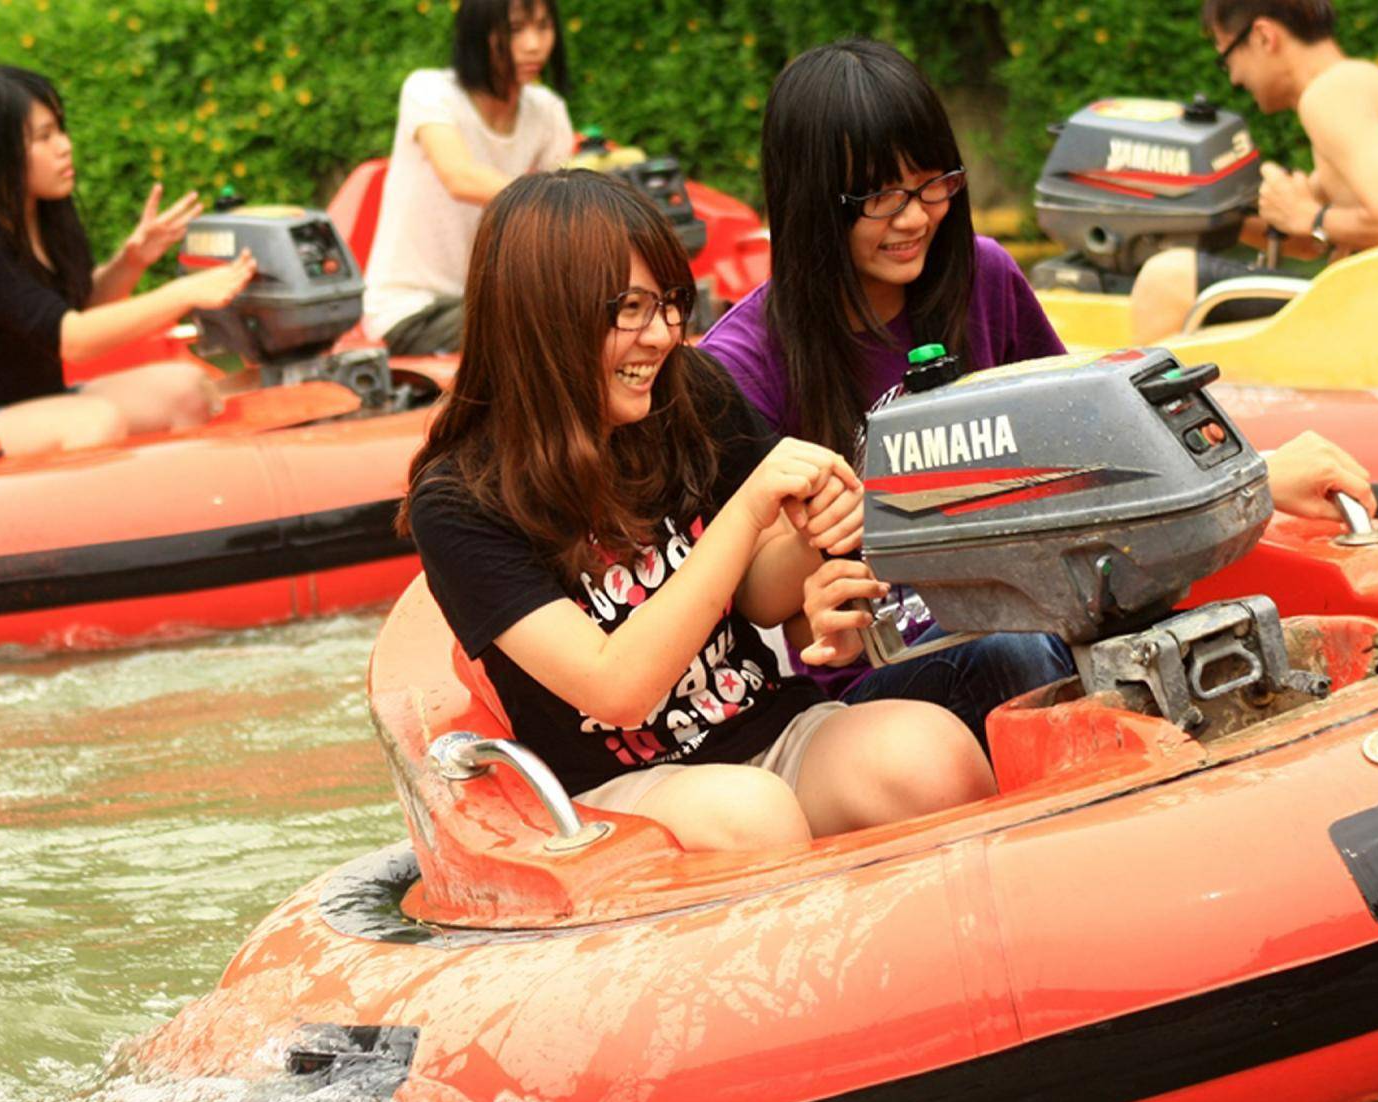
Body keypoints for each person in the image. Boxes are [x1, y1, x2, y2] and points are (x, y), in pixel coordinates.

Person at [702, 38, 1376, 746]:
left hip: (1052, 612)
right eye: (878, 197)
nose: (914, 217)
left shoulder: (983, 278)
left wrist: (1251, 477)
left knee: (1203, 627)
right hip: (889, 675)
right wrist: (854, 516)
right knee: (1018, 656)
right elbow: (754, 592)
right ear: (809, 200)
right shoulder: (741, 362)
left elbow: (1092, 452)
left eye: (935, 183)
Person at [401, 170, 995, 853]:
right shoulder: (459, 499)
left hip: (766, 731)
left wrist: (815, 541)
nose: (660, 336)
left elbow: (762, 600)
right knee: (751, 814)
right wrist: (744, 516)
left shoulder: (688, 393)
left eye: (671, 304)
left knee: (932, 754)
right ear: (542, 316)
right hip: (616, 792)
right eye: (630, 309)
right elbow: (612, 685)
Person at [0, 66, 256, 456]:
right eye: (44, 136)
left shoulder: (44, 219)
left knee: (187, 389)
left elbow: (75, 309)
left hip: (45, 400)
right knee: (95, 422)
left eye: (61, 129)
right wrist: (185, 293)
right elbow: (74, 339)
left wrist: (131, 262)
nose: (65, 146)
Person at [1129, 0, 1378, 340]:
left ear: (1263, 37)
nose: (1234, 79)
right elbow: (1307, 241)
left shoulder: (1329, 94)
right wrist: (1218, 215)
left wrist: (1309, 215)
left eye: (1227, 58)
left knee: (1167, 280)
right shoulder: (1368, 86)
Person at [361, 0, 575, 355]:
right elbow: (459, 177)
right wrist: (556, 196)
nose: (534, 44)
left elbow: (570, 213)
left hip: (491, 302)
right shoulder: (429, 92)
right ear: (478, 33)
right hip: (413, 310)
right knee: (551, 330)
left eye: (544, 27)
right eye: (516, 29)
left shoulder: (547, 110)